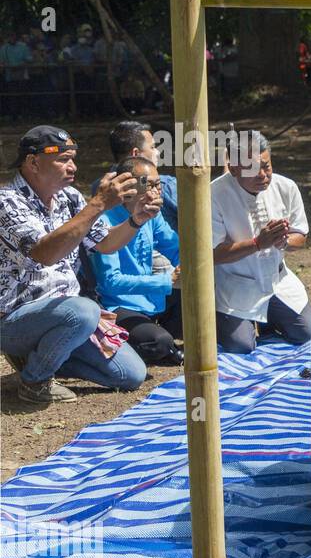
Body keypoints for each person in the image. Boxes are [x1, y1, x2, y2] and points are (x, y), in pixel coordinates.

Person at [0, 125, 148, 408]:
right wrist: (99, 204)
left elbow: (104, 243)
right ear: (33, 162)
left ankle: (44, 357)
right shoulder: (6, 201)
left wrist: (136, 220)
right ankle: (34, 381)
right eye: (64, 159)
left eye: (73, 158)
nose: (73, 166)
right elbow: (45, 253)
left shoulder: (70, 198)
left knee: (131, 375)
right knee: (84, 309)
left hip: (65, 317)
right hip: (13, 320)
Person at [211, 130, 311, 352]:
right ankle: (232, 321)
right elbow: (212, 255)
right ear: (235, 169)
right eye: (253, 169)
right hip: (236, 285)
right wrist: (258, 243)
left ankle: (271, 321)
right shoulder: (214, 194)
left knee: (308, 334)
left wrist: (283, 241)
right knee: (241, 346)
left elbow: (301, 236)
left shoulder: (286, 186)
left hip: (278, 280)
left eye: (266, 166)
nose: (263, 175)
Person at [86, 156, 184, 365]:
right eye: (150, 185)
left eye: (159, 185)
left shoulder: (153, 214)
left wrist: (191, 268)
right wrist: (168, 281)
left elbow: (175, 248)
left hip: (153, 299)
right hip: (118, 306)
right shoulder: (104, 219)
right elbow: (110, 283)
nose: (157, 192)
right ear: (128, 186)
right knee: (160, 342)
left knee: (206, 308)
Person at [108, 120, 178, 232]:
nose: (158, 152)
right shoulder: (166, 186)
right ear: (135, 154)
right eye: (153, 147)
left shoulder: (100, 189)